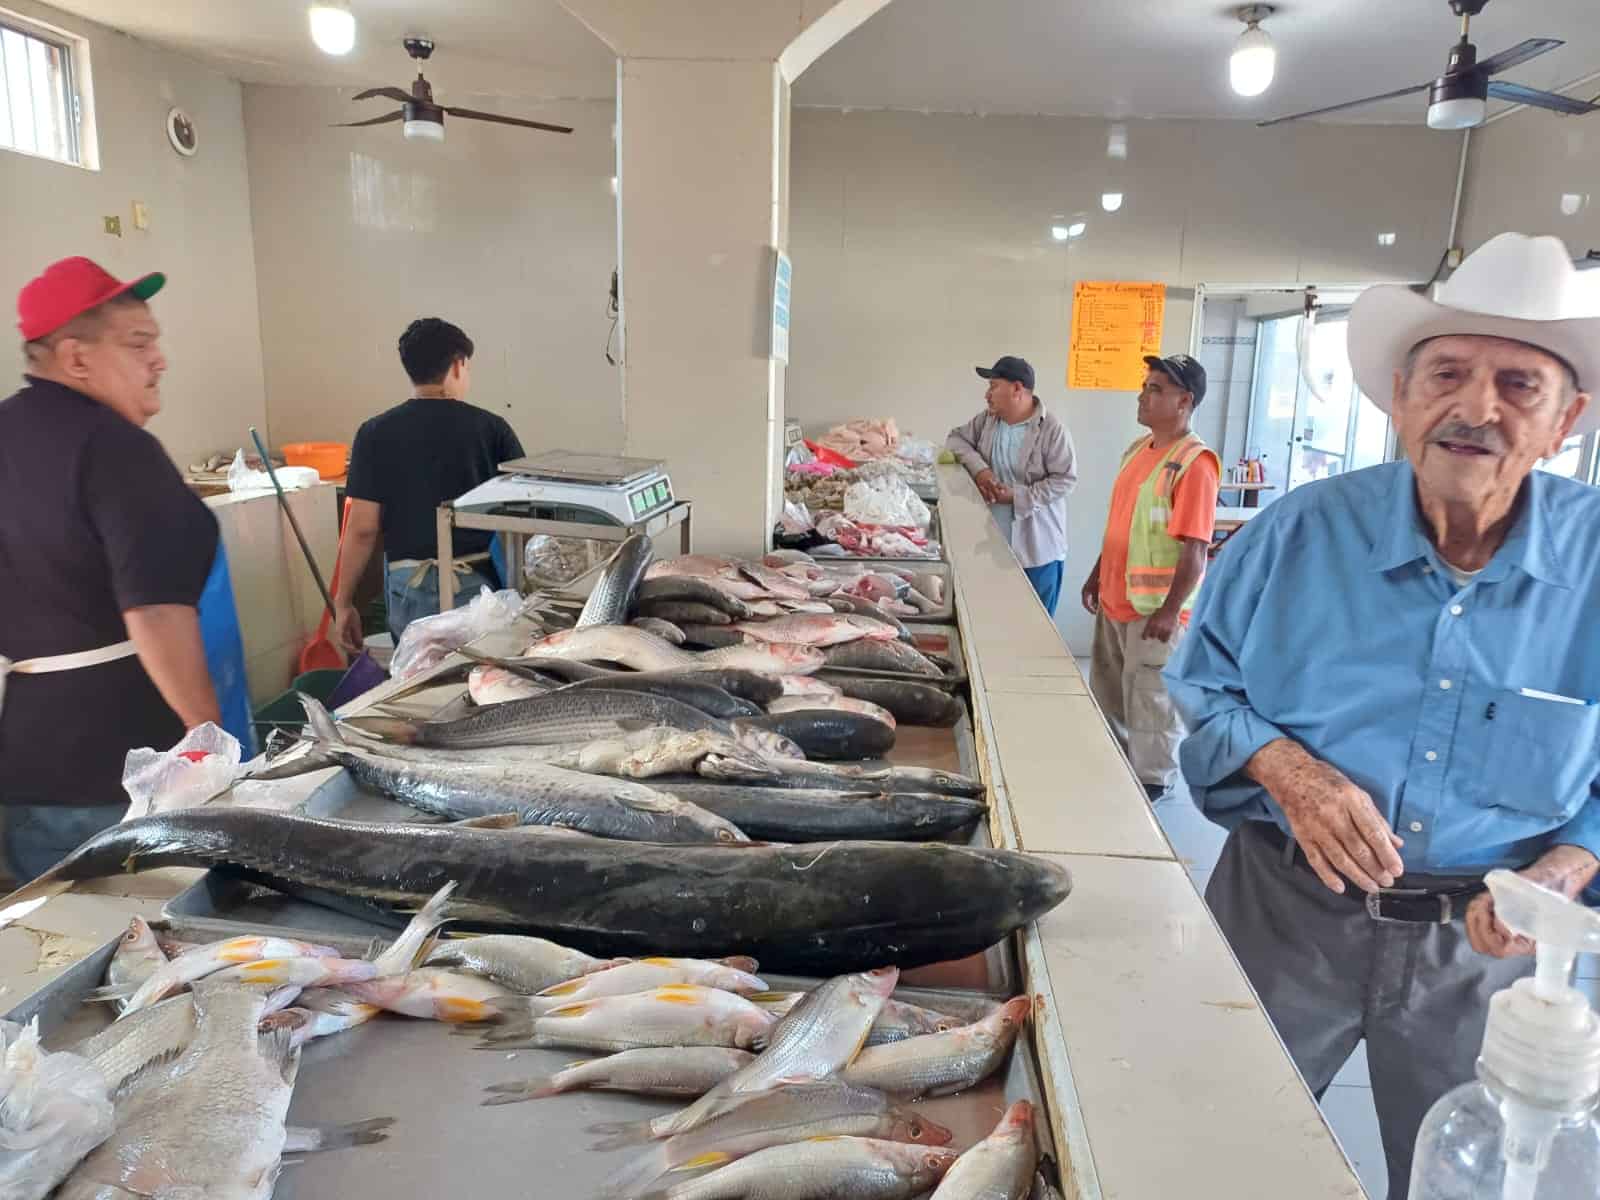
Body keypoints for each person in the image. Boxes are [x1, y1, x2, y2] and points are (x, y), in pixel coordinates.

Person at [1165, 233, 1600, 1199]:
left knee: (1465, 1177)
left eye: (1519, 386)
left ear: (1565, 419)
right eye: (1447, 372)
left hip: (1481, 949)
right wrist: (1288, 766)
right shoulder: (1298, 534)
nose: (1476, 408)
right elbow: (1200, 682)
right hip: (1280, 911)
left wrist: (1563, 870)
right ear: (1400, 399)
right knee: (1201, 1145)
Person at [0, 257, 221, 881]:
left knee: (56, 956)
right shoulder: (115, 448)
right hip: (119, 774)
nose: (160, 359)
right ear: (75, 358)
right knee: (145, 951)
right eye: (138, 343)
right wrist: (209, 742)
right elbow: (155, 612)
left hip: (25, 770)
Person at [334, 318, 525, 650]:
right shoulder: (491, 429)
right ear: (456, 365)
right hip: (477, 591)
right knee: (478, 678)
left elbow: (362, 529)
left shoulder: (374, 432)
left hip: (408, 590)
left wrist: (343, 602)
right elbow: (524, 515)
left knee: (418, 680)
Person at [1080, 355, 1219, 802]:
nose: (1143, 395)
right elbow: (1123, 523)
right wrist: (1096, 574)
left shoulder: (1193, 464)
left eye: (1156, 389)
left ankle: (1154, 780)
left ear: (1185, 401)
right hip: (1115, 599)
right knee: (1111, 690)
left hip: (1154, 611)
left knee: (1151, 699)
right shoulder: (1139, 451)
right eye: (1146, 386)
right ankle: (1120, 770)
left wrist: (1169, 610)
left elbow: (1195, 550)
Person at [946, 356, 1077, 613]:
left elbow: (1065, 480)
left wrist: (1017, 496)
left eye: (994, 386)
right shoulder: (987, 421)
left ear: (1017, 389)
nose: (987, 394)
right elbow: (956, 439)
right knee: (994, 620)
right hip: (991, 543)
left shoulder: (1052, 430)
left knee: (1036, 629)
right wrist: (981, 471)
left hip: (1037, 549)